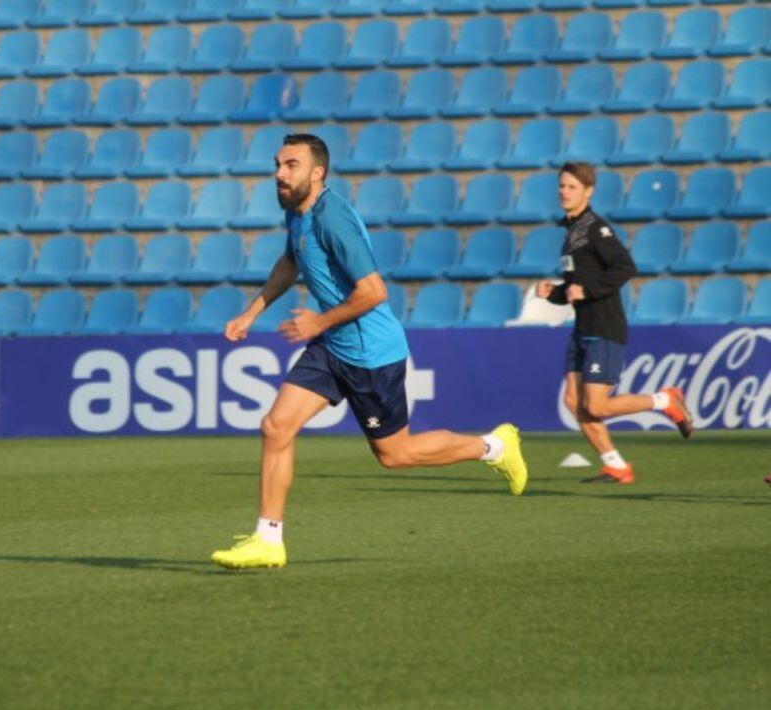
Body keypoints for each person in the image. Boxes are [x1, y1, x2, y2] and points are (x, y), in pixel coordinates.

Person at [210, 134, 528, 570]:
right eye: (278, 164)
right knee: (275, 427)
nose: (279, 174)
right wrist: (253, 311)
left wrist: (318, 321)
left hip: (370, 354)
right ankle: (269, 540)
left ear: (317, 173)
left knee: (395, 455)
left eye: (291, 165)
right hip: (333, 344)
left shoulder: (332, 219)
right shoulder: (298, 214)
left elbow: (374, 292)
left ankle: (494, 446)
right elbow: (291, 261)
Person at [536, 162, 693, 485]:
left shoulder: (595, 228)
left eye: (572, 187)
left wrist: (587, 290)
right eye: (562, 186)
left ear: (588, 191)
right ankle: (615, 465)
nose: (564, 192)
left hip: (604, 329)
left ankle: (665, 400)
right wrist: (554, 293)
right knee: (573, 401)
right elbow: (576, 289)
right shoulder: (571, 233)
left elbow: (625, 267)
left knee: (597, 406)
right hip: (582, 330)